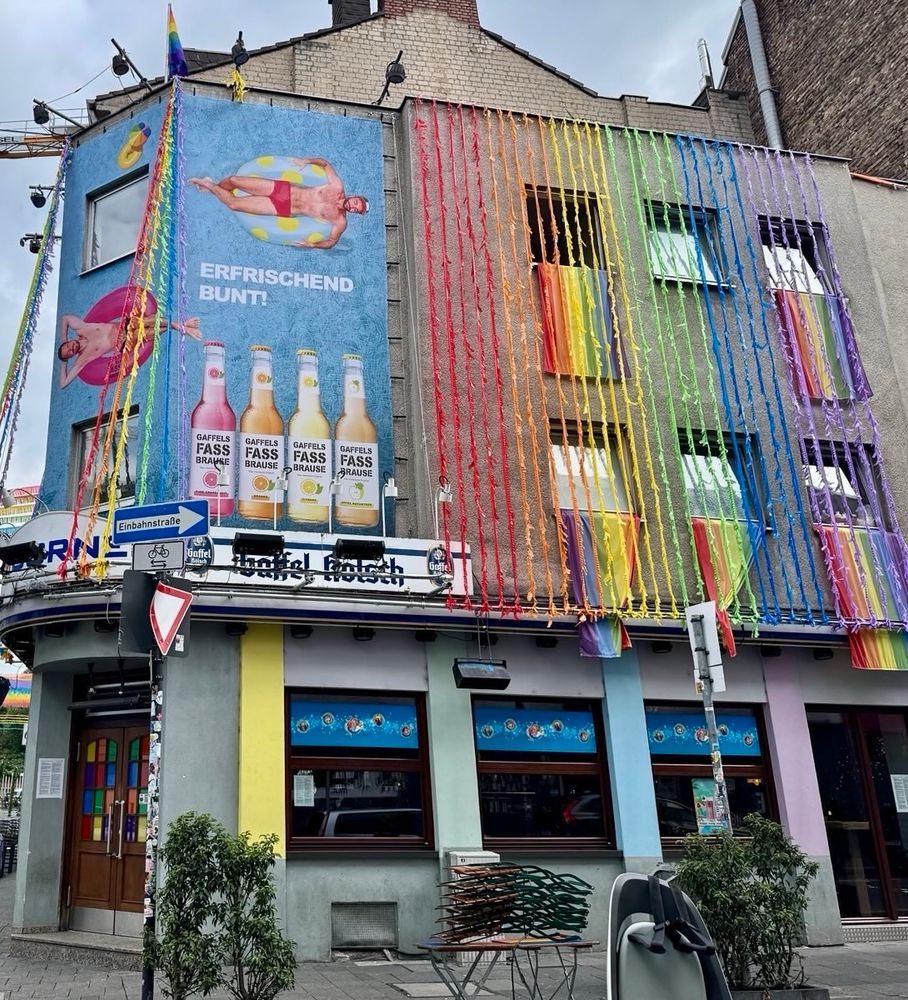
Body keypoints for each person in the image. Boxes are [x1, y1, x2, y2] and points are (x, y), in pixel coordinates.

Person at [189, 156, 368, 250]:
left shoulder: (340, 221)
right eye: (356, 202)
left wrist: (313, 245)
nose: (352, 206)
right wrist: (305, 161)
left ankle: (209, 184)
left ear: (354, 212)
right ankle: (212, 186)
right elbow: (325, 163)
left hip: (282, 208)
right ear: (354, 197)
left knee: (235, 204)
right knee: (235, 180)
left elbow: (332, 242)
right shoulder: (337, 186)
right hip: (283, 190)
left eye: (355, 209)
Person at [57, 314, 201, 388]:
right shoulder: (83, 359)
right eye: (69, 352)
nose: (71, 348)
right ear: (71, 356)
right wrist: (64, 362)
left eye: (68, 346)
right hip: (124, 343)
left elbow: (65, 319)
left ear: (68, 341)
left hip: (124, 325)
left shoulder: (81, 328)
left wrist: (62, 338)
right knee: (149, 333)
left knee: (148, 321)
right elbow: (63, 384)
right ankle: (182, 326)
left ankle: (181, 327)